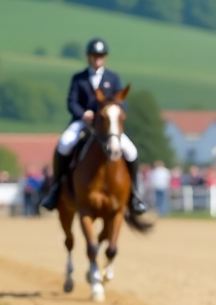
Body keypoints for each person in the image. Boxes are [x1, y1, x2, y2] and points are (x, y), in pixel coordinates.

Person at [40, 38, 146, 216]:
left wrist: (118, 111)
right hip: (84, 121)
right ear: (89, 57)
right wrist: (83, 113)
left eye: (101, 56)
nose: (98, 59)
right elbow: (71, 102)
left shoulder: (113, 78)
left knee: (131, 152)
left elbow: (120, 100)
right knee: (64, 144)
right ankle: (55, 189)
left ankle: (135, 195)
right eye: (95, 56)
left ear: (105, 57)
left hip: (107, 124)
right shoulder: (79, 78)